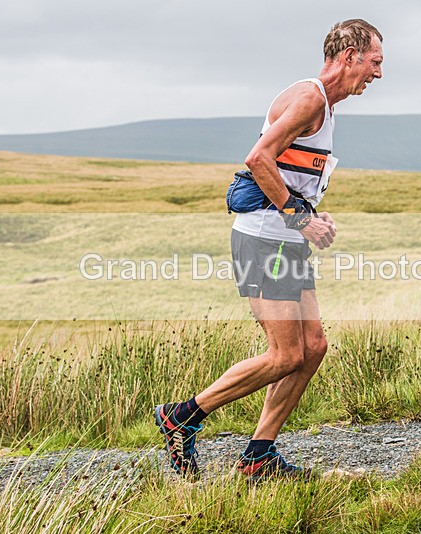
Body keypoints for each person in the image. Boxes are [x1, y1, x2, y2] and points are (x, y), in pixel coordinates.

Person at [154, 19, 384, 480]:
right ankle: (182, 416)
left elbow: (288, 173)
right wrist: (302, 219)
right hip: (264, 238)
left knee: (313, 347)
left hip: (284, 238)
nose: (378, 74)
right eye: (375, 62)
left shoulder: (326, 105)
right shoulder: (309, 98)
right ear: (349, 56)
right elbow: (258, 159)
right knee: (285, 355)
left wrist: (312, 216)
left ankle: (258, 454)